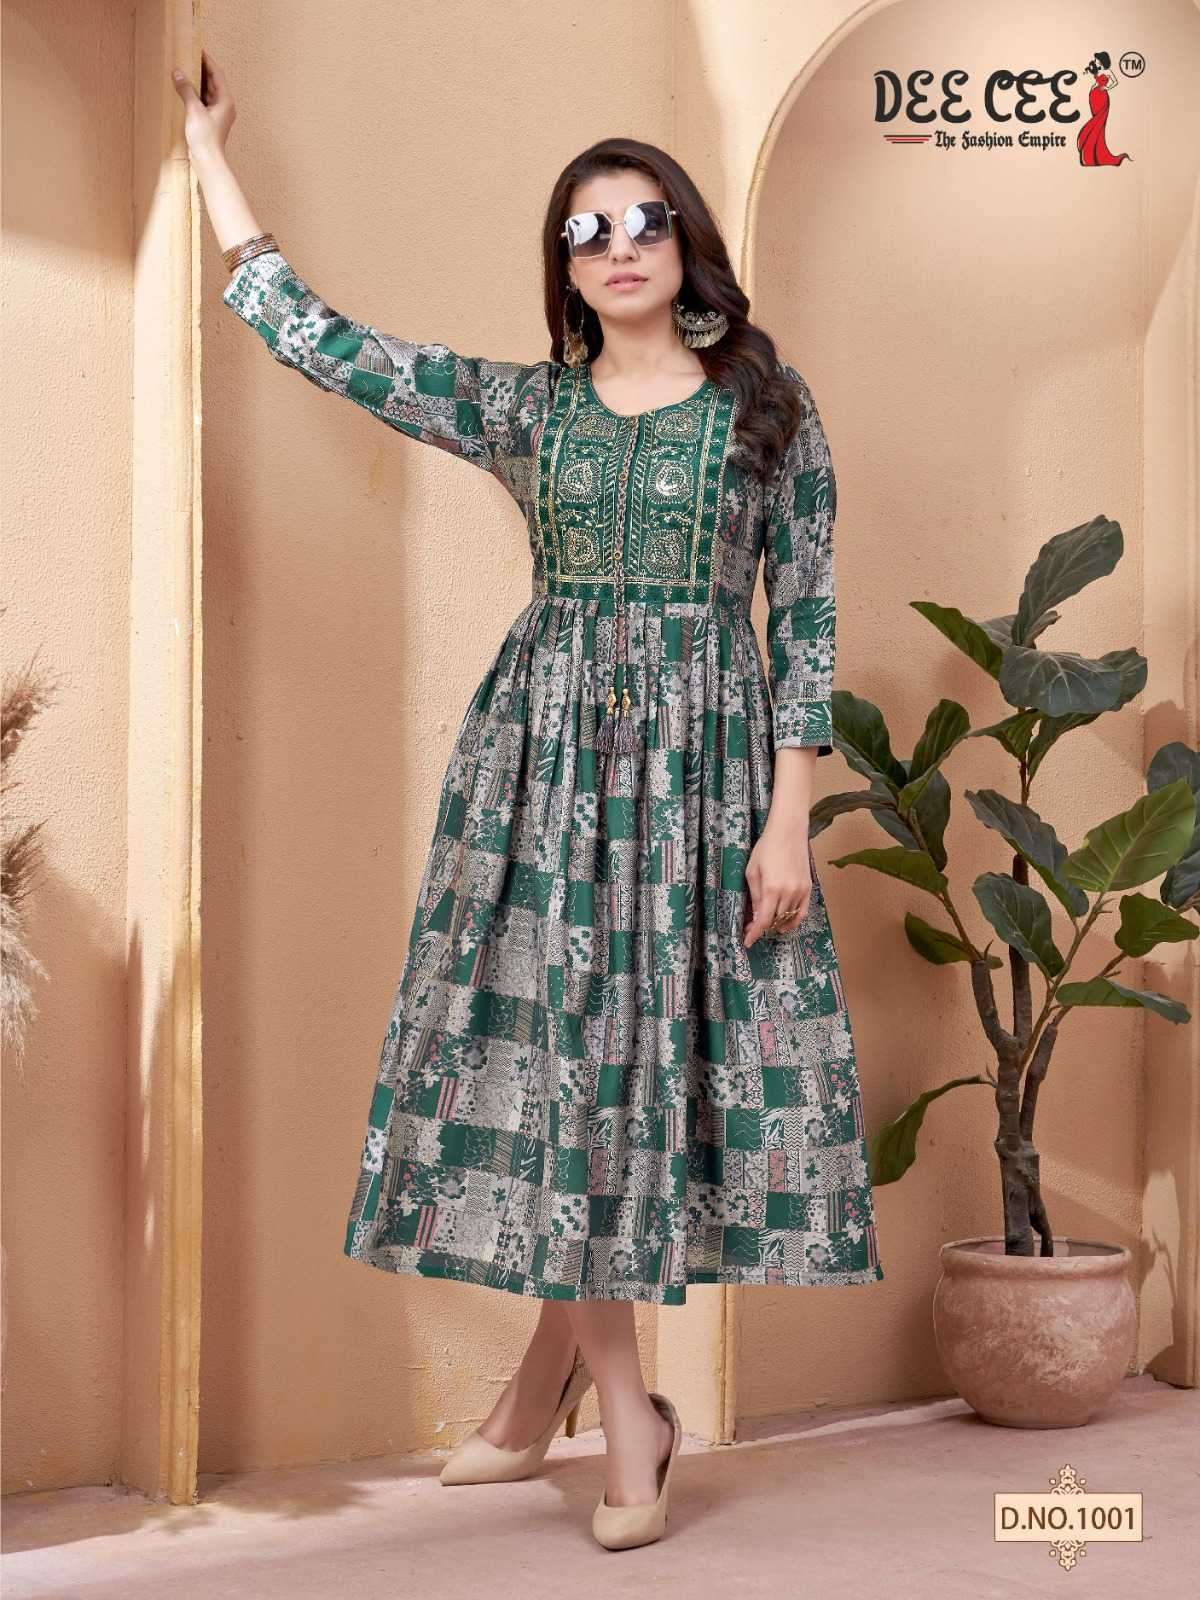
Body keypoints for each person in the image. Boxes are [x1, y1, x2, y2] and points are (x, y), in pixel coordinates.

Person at [173, 48, 883, 1552]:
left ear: (686, 241)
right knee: (572, 1066)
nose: (619, 246)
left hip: (708, 783)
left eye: (644, 220)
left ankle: (537, 1393)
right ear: (564, 268)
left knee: (636, 1072)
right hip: (547, 773)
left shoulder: (767, 406)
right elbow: (330, 346)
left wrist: (788, 818)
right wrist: (212, 162)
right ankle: (631, 1414)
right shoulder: (526, 409)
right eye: (587, 230)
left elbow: (809, 614)